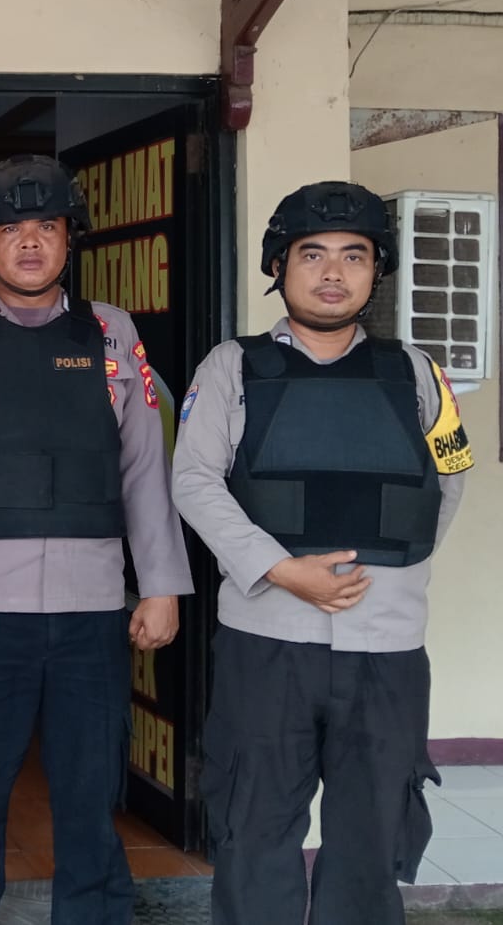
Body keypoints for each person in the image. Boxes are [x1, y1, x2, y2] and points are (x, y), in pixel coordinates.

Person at [0, 153, 193, 925]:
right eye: (10, 228)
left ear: (70, 238)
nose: (29, 242)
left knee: (91, 802)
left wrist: (161, 583)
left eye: (46, 226)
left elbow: (143, 468)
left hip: (92, 614)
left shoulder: (113, 333)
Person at [172, 181, 470, 925]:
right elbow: (194, 481)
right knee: (254, 829)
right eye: (313, 254)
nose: (333, 272)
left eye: (354, 255)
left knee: (373, 836)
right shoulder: (229, 368)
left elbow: (448, 482)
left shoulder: (419, 373)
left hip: (387, 649)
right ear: (279, 264)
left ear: (376, 270)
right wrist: (280, 570)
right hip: (267, 644)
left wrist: (388, 570)